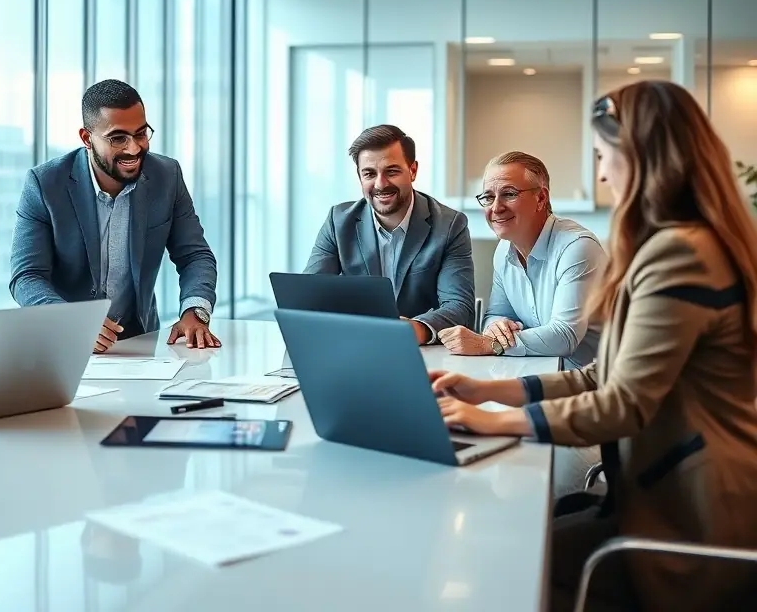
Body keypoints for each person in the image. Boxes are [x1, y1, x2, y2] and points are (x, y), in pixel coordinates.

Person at [431, 80, 757, 612]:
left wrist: (493, 420)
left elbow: (622, 403)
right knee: (526, 538)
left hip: (695, 515)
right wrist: (487, 391)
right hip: (658, 486)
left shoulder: (680, 253)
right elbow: (601, 374)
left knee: (512, 564)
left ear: (646, 158)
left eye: (604, 156)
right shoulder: (675, 244)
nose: (602, 174)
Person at [10, 79, 220, 351]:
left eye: (141, 134)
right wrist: (72, 320)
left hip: (138, 342)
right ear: (87, 138)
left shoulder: (166, 176)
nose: (133, 149)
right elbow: (26, 276)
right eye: (118, 138)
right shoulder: (45, 184)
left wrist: (194, 311)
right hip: (62, 345)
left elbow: (194, 255)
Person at [304, 124, 475, 343]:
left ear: (412, 171)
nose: (380, 184)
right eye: (369, 174)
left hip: (422, 354)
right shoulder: (338, 221)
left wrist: (414, 329)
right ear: (360, 177)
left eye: (391, 171)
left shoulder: (450, 225)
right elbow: (309, 296)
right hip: (356, 344)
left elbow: (460, 306)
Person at [438, 151, 606, 366]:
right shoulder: (503, 250)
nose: (496, 207)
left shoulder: (577, 247)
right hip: (534, 371)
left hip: (586, 383)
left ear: (541, 198)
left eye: (509, 194)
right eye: (488, 197)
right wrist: (498, 327)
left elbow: (565, 336)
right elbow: (496, 314)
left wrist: (489, 344)